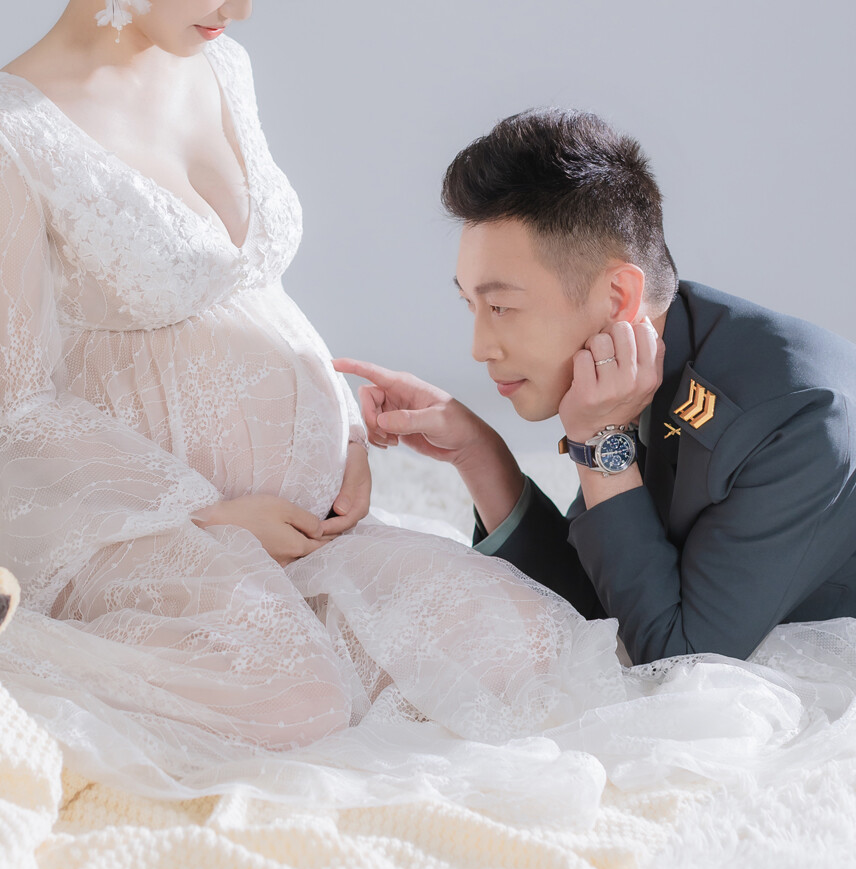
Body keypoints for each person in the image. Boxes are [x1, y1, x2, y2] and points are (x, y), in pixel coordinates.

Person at [0, 0, 626, 772]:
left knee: (520, 639)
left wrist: (337, 426)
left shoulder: (223, 70)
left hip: (303, 514)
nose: (241, 7)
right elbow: (16, 413)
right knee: (291, 700)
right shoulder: (0, 134)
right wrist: (207, 518)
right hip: (139, 523)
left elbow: (254, 292)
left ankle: (303, 617)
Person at [337, 109, 856, 666]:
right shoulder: (637, 365)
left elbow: (674, 662)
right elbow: (591, 604)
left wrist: (600, 443)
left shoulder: (797, 420)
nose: (479, 347)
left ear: (618, 298)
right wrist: (478, 451)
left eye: (501, 307)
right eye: (471, 305)